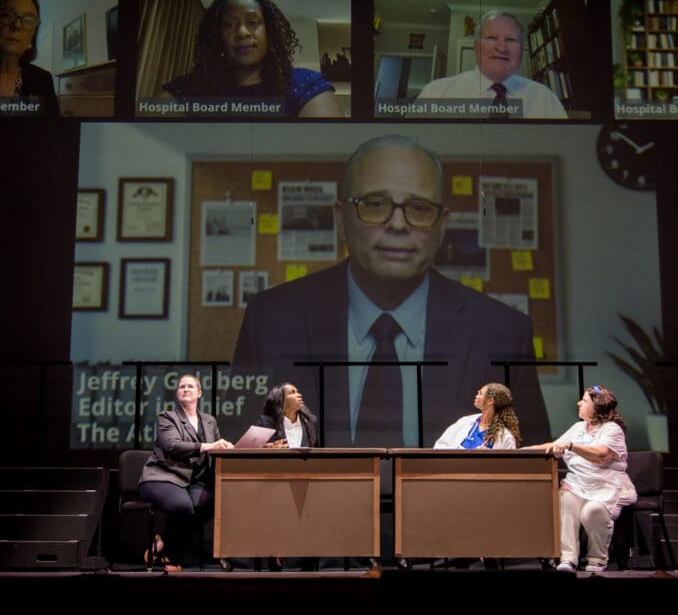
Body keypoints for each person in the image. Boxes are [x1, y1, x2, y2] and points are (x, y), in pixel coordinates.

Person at [232, 135, 550, 448]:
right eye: (374, 204)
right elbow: (234, 456)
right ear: (341, 220)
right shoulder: (270, 321)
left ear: (442, 227)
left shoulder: (503, 333)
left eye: (419, 207)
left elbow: (533, 471)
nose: (398, 224)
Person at [162, 0, 344, 118]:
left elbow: (329, 151)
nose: (242, 32)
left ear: (269, 32)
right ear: (217, 37)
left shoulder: (305, 85)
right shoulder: (189, 88)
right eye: (229, 25)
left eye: (253, 22)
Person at [528, 385, 636, 573]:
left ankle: (597, 560)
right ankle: (568, 559)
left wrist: (571, 446)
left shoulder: (612, 429)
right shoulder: (579, 428)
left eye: (584, 400)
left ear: (597, 407)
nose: (579, 403)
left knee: (591, 512)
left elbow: (601, 455)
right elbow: (553, 446)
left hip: (607, 486)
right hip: (578, 485)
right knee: (565, 502)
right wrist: (518, 452)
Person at [137, 374, 234, 571]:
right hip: (162, 477)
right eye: (182, 387)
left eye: (190, 386)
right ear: (177, 393)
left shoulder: (209, 421)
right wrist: (209, 445)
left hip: (189, 481)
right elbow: (173, 446)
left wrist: (227, 448)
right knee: (183, 506)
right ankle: (172, 560)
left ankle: (163, 540)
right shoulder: (167, 417)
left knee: (216, 500)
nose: (186, 389)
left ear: (199, 393)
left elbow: (213, 450)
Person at [414, 11, 567, 119]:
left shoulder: (544, 98)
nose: (501, 48)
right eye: (492, 38)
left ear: (522, 50)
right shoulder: (435, 94)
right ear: (476, 46)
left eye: (511, 40)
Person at [253, 382, 320, 571]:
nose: (298, 395)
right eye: (292, 392)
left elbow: (318, 451)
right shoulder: (266, 422)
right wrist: (266, 448)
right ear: (281, 399)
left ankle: (309, 563)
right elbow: (247, 448)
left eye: (298, 391)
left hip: (305, 481)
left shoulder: (310, 422)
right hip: (275, 481)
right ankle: (274, 558)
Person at [434, 382, 521, 449]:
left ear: (490, 400)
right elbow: (440, 445)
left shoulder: (505, 436)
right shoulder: (465, 422)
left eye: (480, 393)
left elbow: (508, 465)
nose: (476, 396)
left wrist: (489, 458)